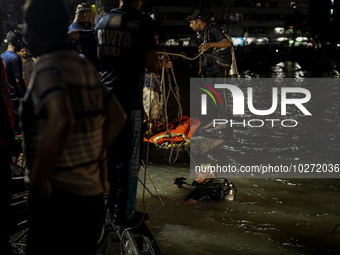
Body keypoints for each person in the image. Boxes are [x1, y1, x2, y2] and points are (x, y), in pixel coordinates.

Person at [21, 0, 126, 254]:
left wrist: (41, 177)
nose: (24, 31)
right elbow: (117, 116)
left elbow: (61, 118)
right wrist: (93, 154)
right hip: (89, 202)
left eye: (27, 24)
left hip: (58, 200)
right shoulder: (84, 67)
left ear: (36, 30)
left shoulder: (47, 66)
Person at [96, 0, 168, 228]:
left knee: (110, 155)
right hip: (128, 100)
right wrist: (161, 63)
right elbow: (152, 65)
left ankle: (110, 208)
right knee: (129, 161)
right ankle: (124, 214)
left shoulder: (104, 20)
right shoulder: (142, 22)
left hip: (104, 98)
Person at [187, 10, 233, 78]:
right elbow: (201, 52)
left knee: (219, 88)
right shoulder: (200, 33)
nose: (190, 26)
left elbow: (228, 43)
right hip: (207, 68)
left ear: (199, 21)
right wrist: (200, 69)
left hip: (219, 68)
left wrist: (210, 45)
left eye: (192, 23)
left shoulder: (213, 29)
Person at [1, 30, 26, 135]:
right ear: (18, 41)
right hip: (16, 100)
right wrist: (26, 95)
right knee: (21, 130)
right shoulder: (15, 58)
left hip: (7, 99)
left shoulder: (2, 56)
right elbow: (18, 80)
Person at [68, 2, 99, 69]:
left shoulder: (69, 29)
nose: (93, 23)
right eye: (92, 19)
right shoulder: (81, 34)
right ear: (85, 16)